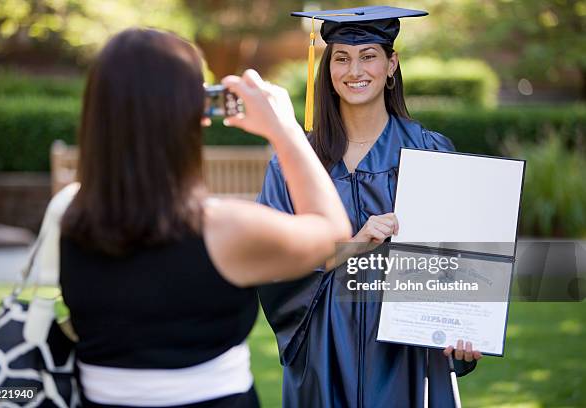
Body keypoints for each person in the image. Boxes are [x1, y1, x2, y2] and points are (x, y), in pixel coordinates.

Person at [59, 28, 351, 408]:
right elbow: (333, 232)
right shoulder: (225, 229)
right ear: (189, 115)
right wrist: (285, 130)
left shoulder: (68, 216)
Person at [257, 6, 482, 408]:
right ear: (327, 69)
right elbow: (272, 263)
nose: (353, 70)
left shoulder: (430, 152)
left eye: (368, 56)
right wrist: (351, 246)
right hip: (326, 348)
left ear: (391, 64)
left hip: (407, 349)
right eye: (341, 58)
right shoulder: (296, 163)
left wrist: (465, 331)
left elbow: (457, 267)